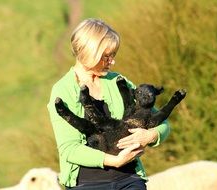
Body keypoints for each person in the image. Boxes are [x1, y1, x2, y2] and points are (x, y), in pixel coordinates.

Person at [47, 18, 170, 190]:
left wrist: (151, 136)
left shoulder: (119, 82)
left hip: (130, 179)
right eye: (107, 56)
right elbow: (69, 149)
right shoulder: (62, 90)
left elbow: (162, 123)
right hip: (86, 185)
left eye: (113, 55)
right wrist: (115, 161)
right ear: (89, 52)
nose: (113, 62)